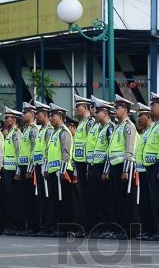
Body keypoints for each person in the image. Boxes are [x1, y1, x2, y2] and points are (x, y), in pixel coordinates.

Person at [105, 94, 139, 239]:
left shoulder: (128, 127)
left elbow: (129, 149)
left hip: (124, 167)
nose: (114, 110)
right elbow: (110, 150)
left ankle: (129, 230)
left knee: (126, 199)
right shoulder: (117, 127)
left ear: (125, 109)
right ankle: (120, 229)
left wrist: (125, 170)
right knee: (117, 199)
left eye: (117, 107)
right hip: (114, 166)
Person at [45, 103, 75, 237]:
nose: (51, 118)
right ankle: (58, 227)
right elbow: (49, 153)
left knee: (63, 201)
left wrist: (63, 171)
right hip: (53, 171)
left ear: (61, 118)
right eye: (50, 116)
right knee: (55, 201)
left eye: (54, 116)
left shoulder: (64, 132)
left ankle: (65, 229)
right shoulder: (54, 133)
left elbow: (65, 153)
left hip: (62, 172)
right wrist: (46, 168)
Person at [90, 97, 116, 238]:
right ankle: (101, 227)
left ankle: (109, 228)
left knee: (107, 200)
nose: (95, 113)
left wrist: (106, 171)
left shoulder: (110, 128)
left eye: (98, 111)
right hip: (96, 168)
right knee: (98, 199)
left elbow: (109, 150)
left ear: (105, 113)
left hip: (105, 169)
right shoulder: (100, 128)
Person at [73, 94, 96, 234]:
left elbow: (89, 144)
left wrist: (88, 165)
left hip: (86, 164)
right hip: (79, 164)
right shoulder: (81, 123)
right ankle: (85, 226)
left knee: (88, 197)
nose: (76, 109)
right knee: (82, 197)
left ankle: (90, 227)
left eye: (78, 107)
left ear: (86, 107)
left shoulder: (89, 123)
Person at [134, 101, 157, 240]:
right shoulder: (147, 131)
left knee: (152, 201)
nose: (138, 118)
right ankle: (149, 230)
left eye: (141, 115)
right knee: (146, 202)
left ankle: (154, 230)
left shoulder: (155, 128)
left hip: (153, 169)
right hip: (144, 170)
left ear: (148, 116)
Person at [33, 100, 54, 236]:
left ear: (45, 115)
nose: (36, 116)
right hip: (38, 166)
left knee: (47, 197)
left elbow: (48, 150)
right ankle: (44, 224)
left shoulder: (49, 130)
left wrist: (45, 167)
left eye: (38, 114)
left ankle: (48, 225)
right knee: (41, 197)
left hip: (45, 167)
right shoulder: (41, 130)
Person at [19, 102, 40, 236]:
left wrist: (30, 169)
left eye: (24, 113)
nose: (22, 115)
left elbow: (33, 149)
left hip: (29, 168)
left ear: (31, 115)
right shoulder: (26, 129)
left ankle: (33, 226)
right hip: (22, 166)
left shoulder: (33, 130)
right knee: (25, 198)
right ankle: (28, 225)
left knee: (32, 199)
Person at [2, 106, 23, 235]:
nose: (5, 120)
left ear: (14, 120)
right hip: (8, 170)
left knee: (15, 200)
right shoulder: (10, 133)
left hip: (14, 171)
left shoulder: (16, 134)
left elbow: (19, 152)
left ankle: (17, 225)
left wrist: (18, 172)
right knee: (9, 199)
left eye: (7, 118)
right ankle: (11, 224)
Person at [141, 92, 159, 240]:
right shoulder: (154, 127)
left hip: (157, 167)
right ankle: (155, 230)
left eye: (154, 105)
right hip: (151, 167)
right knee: (153, 201)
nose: (151, 107)